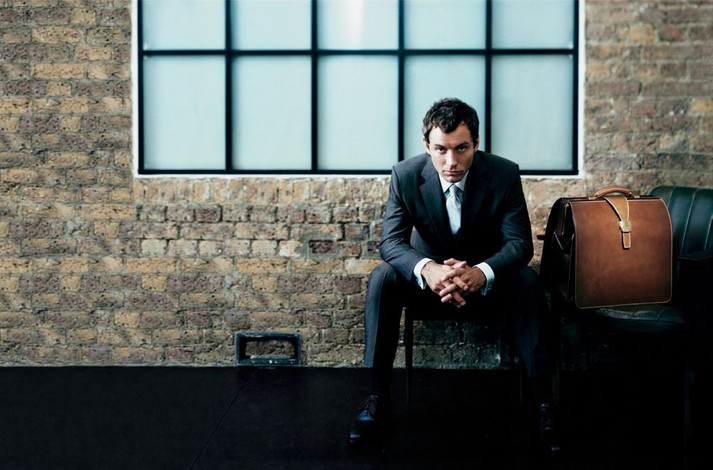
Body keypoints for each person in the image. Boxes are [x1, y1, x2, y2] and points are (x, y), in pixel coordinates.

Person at [348, 98, 561, 456]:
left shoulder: (504, 174)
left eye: (461, 148)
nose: (451, 162)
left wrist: (481, 272)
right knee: (383, 278)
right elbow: (391, 242)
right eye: (441, 150)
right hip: (428, 284)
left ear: (476, 143)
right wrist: (428, 269)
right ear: (426, 145)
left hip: (485, 281)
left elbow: (519, 244)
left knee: (527, 281)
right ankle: (376, 398)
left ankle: (543, 404)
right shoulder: (405, 175)